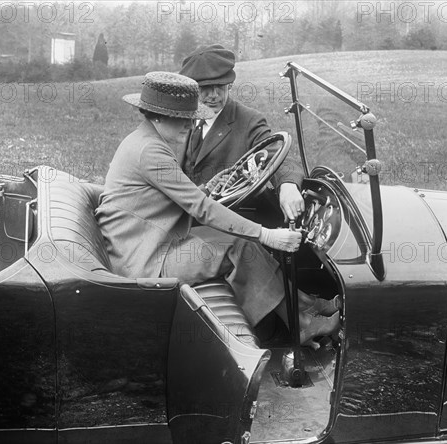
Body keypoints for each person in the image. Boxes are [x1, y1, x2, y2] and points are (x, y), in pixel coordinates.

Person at [95, 71, 339, 346]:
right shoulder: (150, 151)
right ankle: (303, 324)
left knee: (238, 241)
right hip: (145, 262)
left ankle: (305, 305)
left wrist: (207, 188)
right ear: (158, 115)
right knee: (240, 243)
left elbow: (168, 199)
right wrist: (266, 234)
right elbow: (201, 210)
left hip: (145, 246)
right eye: (184, 118)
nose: (191, 124)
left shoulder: (146, 141)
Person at [179, 44, 306, 222]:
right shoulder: (181, 122)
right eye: (205, 88)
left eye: (220, 86)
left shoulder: (248, 121)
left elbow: (278, 157)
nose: (214, 95)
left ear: (229, 85)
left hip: (227, 224)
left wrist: (288, 185)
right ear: (193, 90)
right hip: (182, 220)